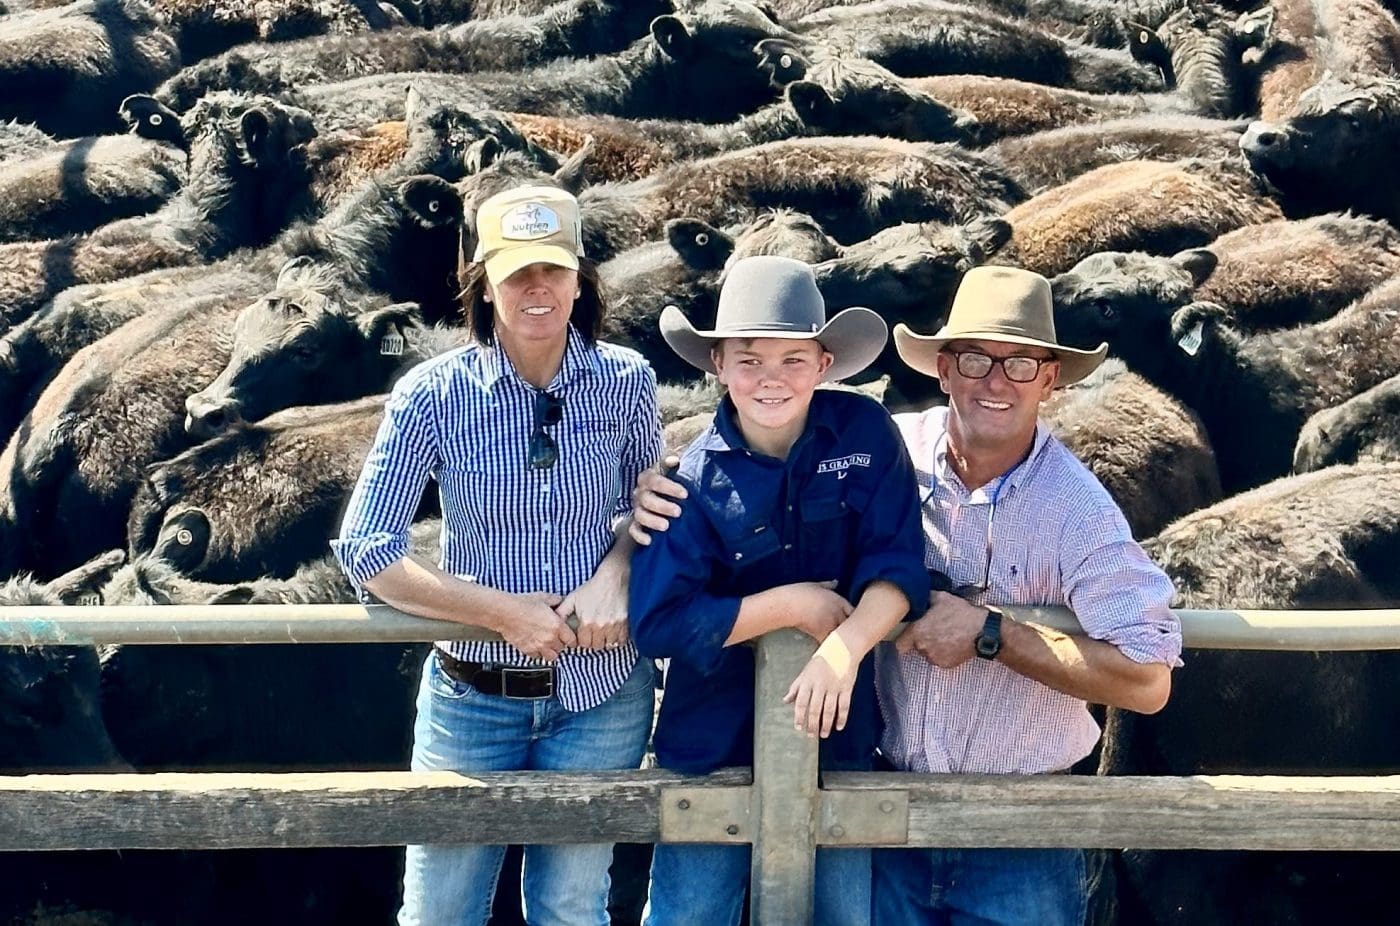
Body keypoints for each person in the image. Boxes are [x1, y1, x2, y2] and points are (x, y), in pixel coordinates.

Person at [631, 265, 1182, 926]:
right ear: (943, 368)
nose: (996, 382)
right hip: (879, 793)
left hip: (1009, 819)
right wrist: (630, 524)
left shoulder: (1077, 511)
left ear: (1051, 378)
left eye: (1021, 364)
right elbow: (666, 603)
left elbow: (1149, 681)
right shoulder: (891, 445)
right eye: (976, 360)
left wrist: (989, 634)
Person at [332, 184, 662, 926]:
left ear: (581, 278)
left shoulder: (627, 381)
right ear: (484, 283)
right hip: (471, 694)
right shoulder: (432, 393)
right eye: (516, 273)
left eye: (552, 269)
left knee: (571, 907)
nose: (536, 288)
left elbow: (651, 513)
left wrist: (618, 573)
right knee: (440, 911)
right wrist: (500, 613)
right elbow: (366, 548)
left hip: (600, 695)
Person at [628, 255, 930, 926]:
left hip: (840, 739)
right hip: (712, 747)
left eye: (793, 359)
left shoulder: (867, 436)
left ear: (824, 363)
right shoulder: (690, 477)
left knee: (842, 915)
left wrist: (845, 649)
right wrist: (789, 606)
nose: (771, 379)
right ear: (717, 365)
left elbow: (899, 567)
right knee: (690, 915)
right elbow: (659, 623)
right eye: (749, 359)